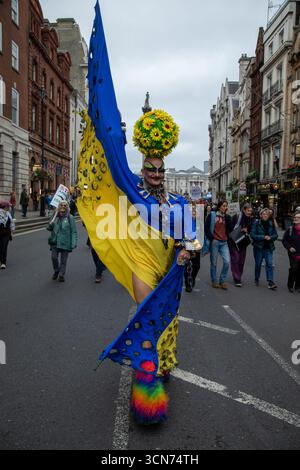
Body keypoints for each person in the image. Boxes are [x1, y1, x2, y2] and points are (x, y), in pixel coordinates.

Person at [76, 3, 200, 425]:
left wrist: (187, 250)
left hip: (170, 268)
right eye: (149, 168)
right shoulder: (133, 192)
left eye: (159, 169)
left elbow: (193, 237)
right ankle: (147, 392)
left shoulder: (179, 204)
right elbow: (113, 157)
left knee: (167, 322)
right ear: (143, 168)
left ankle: (162, 365)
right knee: (148, 316)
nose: (154, 174)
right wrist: (111, 129)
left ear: (166, 169)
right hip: (141, 265)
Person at [47, 201, 78, 282]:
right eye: (61, 205)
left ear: (67, 207)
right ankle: (56, 270)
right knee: (54, 257)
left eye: (65, 205)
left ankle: (61, 274)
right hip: (55, 241)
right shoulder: (55, 216)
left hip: (65, 241)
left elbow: (73, 231)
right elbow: (48, 228)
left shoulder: (70, 217)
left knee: (63, 260)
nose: (63, 207)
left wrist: (73, 242)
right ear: (58, 207)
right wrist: (54, 216)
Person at [205, 200, 231, 290]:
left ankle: (222, 280)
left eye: (226, 206)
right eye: (224, 206)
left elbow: (230, 229)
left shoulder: (227, 217)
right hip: (215, 242)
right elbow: (206, 228)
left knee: (227, 262)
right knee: (214, 263)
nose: (225, 208)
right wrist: (212, 239)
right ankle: (214, 281)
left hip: (224, 242)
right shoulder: (212, 215)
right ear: (219, 207)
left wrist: (231, 218)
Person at [250, 208, 278, 290]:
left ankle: (270, 281)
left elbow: (275, 235)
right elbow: (252, 235)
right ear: (261, 215)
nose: (265, 215)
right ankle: (256, 278)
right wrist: (263, 237)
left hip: (268, 247)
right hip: (258, 248)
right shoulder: (256, 223)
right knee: (258, 264)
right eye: (264, 214)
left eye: (267, 214)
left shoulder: (270, 223)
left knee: (269, 264)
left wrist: (270, 237)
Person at [229, 203, 253, 287]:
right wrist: (240, 229)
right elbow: (230, 228)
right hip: (234, 241)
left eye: (250, 211)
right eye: (248, 210)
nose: (250, 212)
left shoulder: (250, 219)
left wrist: (248, 230)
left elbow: (251, 229)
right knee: (236, 259)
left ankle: (239, 275)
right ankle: (237, 278)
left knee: (241, 261)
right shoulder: (237, 217)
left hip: (243, 242)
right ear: (244, 210)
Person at [282, 212, 300, 293]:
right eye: (295, 217)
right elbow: (284, 240)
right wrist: (290, 247)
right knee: (294, 268)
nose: (295, 219)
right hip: (293, 253)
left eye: (298, 217)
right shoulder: (290, 229)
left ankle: (298, 286)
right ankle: (290, 285)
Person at [0, 201, 15, 269]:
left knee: (4, 246)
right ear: (5, 207)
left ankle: (3, 262)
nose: (9, 207)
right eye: (8, 206)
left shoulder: (8, 214)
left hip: (6, 233)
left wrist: (12, 232)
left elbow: (12, 223)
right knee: (1, 247)